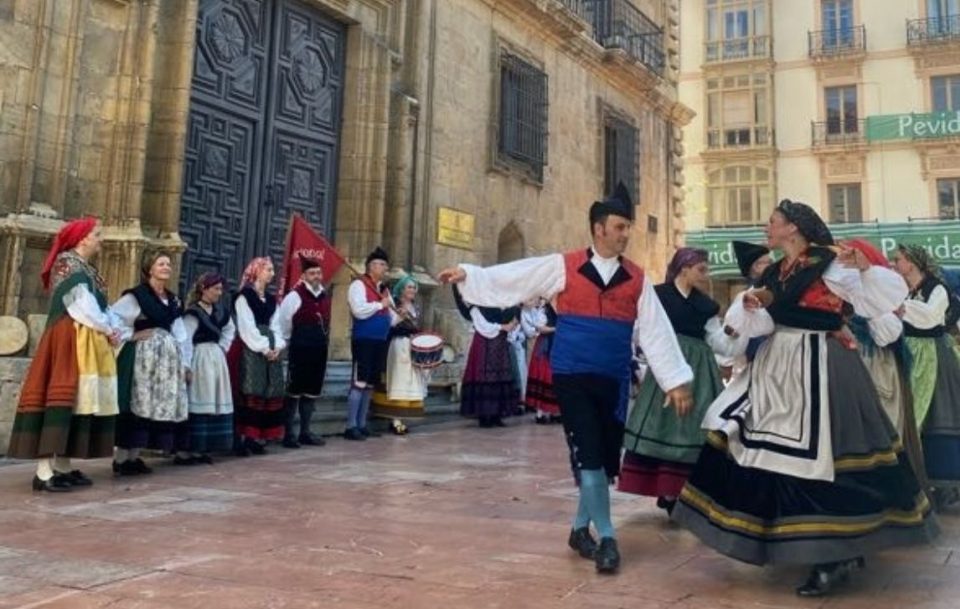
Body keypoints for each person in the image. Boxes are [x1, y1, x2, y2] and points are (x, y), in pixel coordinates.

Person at [672, 200, 938, 597]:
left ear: (793, 229)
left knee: (831, 460)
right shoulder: (779, 271)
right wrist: (752, 306)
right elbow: (770, 319)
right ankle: (790, 542)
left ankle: (833, 556)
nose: (767, 227)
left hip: (824, 365)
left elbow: (883, 299)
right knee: (752, 443)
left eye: (773, 222)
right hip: (778, 365)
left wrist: (863, 268)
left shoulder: (831, 263)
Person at [438, 183, 694, 574]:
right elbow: (517, 277)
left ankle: (579, 529)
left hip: (614, 381)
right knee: (589, 454)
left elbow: (656, 330)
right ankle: (607, 537)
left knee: (605, 460)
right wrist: (469, 276)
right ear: (599, 229)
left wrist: (675, 379)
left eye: (628, 227)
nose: (626, 233)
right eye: (620, 226)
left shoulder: (637, 278)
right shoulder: (564, 265)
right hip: (571, 375)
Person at [619, 248, 740, 515]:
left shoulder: (707, 305)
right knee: (664, 427)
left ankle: (683, 492)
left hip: (700, 373)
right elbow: (642, 332)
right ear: (684, 269)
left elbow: (718, 342)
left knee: (695, 429)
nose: (705, 276)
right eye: (701, 270)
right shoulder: (657, 296)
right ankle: (666, 490)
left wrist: (736, 331)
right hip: (667, 369)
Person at [8, 218, 123, 491]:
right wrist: (107, 328)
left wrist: (114, 327)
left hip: (87, 338)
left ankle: (62, 466)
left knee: (79, 400)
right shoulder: (67, 264)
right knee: (60, 398)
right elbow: (80, 306)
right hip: (68, 338)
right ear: (82, 238)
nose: (101, 239)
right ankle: (44, 472)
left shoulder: (87, 269)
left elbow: (99, 306)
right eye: (97, 234)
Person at [113, 249, 191, 474]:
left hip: (166, 362)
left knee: (153, 404)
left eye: (168, 264)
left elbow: (180, 333)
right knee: (137, 402)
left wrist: (185, 362)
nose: (166, 267)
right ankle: (120, 459)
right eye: (161, 264)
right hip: (142, 359)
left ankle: (134, 457)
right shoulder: (136, 296)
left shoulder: (173, 299)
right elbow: (114, 318)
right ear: (149, 268)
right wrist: (131, 336)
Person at [893, 243, 960, 506]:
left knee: (936, 415)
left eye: (898, 259)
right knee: (912, 419)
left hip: (933, 357)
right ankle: (920, 482)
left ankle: (946, 486)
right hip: (909, 354)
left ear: (912, 262)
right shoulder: (904, 291)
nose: (895, 264)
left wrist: (903, 310)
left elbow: (932, 317)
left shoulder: (936, 287)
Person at [230, 257, 286, 455]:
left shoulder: (271, 300)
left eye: (272, 270)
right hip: (250, 349)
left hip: (269, 349)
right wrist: (263, 347)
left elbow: (277, 325)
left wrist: (277, 346)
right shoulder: (244, 297)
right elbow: (247, 327)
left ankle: (258, 437)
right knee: (250, 389)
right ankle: (244, 437)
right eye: (268, 270)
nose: (272, 273)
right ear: (257, 271)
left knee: (267, 390)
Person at [277, 255, 331, 448]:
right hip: (299, 350)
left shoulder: (324, 295)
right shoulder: (294, 296)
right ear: (304, 275)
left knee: (311, 393)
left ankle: (305, 432)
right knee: (294, 392)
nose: (316, 276)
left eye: (318, 273)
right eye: (311, 273)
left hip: (319, 350)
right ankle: (288, 434)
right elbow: (284, 323)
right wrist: (286, 343)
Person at [182, 272, 236, 463]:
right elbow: (186, 339)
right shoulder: (193, 312)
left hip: (216, 359)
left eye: (221, 289)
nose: (219, 293)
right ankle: (187, 450)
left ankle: (204, 448)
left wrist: (222, 347)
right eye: (216, 289)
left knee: (213, 399)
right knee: (198, 398)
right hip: (200, 358)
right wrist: (186, 365)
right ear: (204, 289)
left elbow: (230, 329)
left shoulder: (221, 311)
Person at [345, 247, 395, 440]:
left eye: (385, 265)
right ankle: (350, 426)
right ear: (370, 266)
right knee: (359, 382)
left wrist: (403, 314)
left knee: (370, 384)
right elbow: (358, 310)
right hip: (364, 340)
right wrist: (379, 305)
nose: (383, 268)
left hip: (380, 341)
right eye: (380, 264)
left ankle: (362, 424)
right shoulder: (359, 285)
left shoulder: (384, 289)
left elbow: (390, 317)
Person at [454, 286, 520, 428]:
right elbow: (483, 326)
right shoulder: (478, 308)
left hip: (500, 345)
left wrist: (512, 323)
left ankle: (496, 414)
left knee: (500, 377)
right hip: (485, 344)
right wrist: (503, 327)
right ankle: (484, 416)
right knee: (485, 378)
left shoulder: (502, 307)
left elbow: (512, 319)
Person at [372, 273, 428, 429]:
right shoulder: (394, 304)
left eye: (414, 288)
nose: (412, 290)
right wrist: (400, 318)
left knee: (409, 381)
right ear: (402, 289)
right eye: (409, 287)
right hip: (398, 344)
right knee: (398, 379)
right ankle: (395, 420)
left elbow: (417, 327)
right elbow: (389, 325)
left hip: (411, 346)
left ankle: (402, 417)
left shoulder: (416, 307)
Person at [523, 298, 560, 424]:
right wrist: (556, 329)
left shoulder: (562, 308)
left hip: (558, 345)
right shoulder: (544, 309)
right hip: (546, 346)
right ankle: (540, 413)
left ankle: (555, 412)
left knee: (556, 378)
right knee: (544, 376)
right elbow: (540, 327)